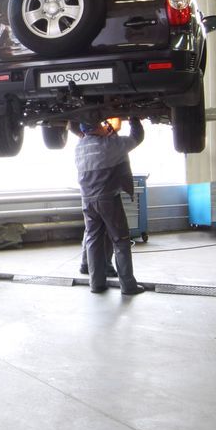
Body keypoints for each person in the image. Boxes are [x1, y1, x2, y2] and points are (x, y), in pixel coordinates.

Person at [74, 117, 146, 296]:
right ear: (96, 127)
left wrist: (109, 133)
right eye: (100, 124)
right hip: (107, 200)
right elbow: (137, 137)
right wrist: (133, 118)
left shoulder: (79, 147)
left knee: (93, 239)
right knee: (120, 240)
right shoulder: (110, 145)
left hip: (87, 201)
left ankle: (96, 284)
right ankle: (128, 286)